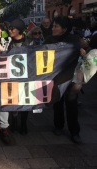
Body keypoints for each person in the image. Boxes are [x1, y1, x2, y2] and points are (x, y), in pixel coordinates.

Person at [43, 16, 90, 144]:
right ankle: (58, 126)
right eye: (52, 26)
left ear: (64, 29)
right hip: (56, 78)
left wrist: (83, 52)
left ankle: (74, 132)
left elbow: (88, 51)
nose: (52, 28)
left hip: (72, 79)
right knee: (57, 102)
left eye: (55, 26)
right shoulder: (49, 40)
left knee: (72, 104)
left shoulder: (75, 40)